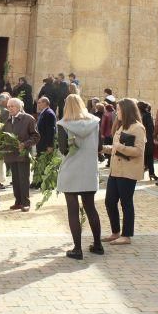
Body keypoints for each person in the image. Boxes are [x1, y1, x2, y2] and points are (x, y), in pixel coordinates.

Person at [56, 94, 104, 259]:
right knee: (91, 208)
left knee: (73, 210)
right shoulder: (95, 122)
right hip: (89, 169)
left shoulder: (63, 124)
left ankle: (77, 249)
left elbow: (63, 149)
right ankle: (98, 245)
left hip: (71, 170)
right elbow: (100, 146)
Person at [102, 99, 146, 245]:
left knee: (126, 202)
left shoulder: (138, 128)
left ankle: (126, 235)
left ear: (126, 110)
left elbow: (138, 151)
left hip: (128, 171)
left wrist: (119, 147)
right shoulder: (122, 127)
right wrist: (103, 148)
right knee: (110, 201)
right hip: (115, 170)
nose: (117, 112)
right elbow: (117, 147)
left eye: (119, 109)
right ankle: (115, 232)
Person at [3, 97, 40, 212]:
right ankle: (18, 202)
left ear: (19, 107)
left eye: (12, 106)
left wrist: (25, 144)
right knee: (15, 179)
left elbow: (36, 136)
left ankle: (25, 203)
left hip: (23, 154)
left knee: (23, 179)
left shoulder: (28, 119)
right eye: (8, 107)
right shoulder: (8, 120)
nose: (9, 109)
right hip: (11, 155)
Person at [31, 96, 57, 188]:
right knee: (39, 162)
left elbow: (51, 130)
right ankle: (37, 182)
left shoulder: (49, 113)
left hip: (45, 143)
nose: (37, 105)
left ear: (45, 103)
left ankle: (44, 183)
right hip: (41, 142)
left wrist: (50, 145)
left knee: (44, 163)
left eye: (39, 103)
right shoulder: (43, 112)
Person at [137, 101, 158, 181]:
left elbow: (150, 128)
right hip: (145, 138)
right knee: (148, 157)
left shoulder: (143, 115)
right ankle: (151, 173)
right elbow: (151, 128)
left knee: (147, 156)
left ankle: (148, 173)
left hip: (144, 138)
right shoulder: (145, 115)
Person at [100, 97, 116, 167]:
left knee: (108, 149)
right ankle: (111, 162)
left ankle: (109, 162)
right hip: (113, 134)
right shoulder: (114, 114)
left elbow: (103, 125)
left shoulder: (106, 115)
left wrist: (102, 134)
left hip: (107, 134)